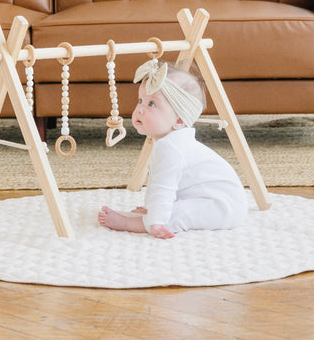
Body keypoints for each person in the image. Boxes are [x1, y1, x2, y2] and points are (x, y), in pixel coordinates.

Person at [98, 59, 248, 239]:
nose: (140, 110)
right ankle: (155, 214)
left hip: (223, 207)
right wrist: (151, 207)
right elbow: (159, 183)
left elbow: (164, 187)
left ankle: (128, 223)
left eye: (151, 104)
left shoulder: (171, 147)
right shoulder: (171, 142)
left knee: (175, 214)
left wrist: (156, 219)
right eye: (140, 100)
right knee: (166, 206)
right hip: (222, 203)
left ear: (179, 120)